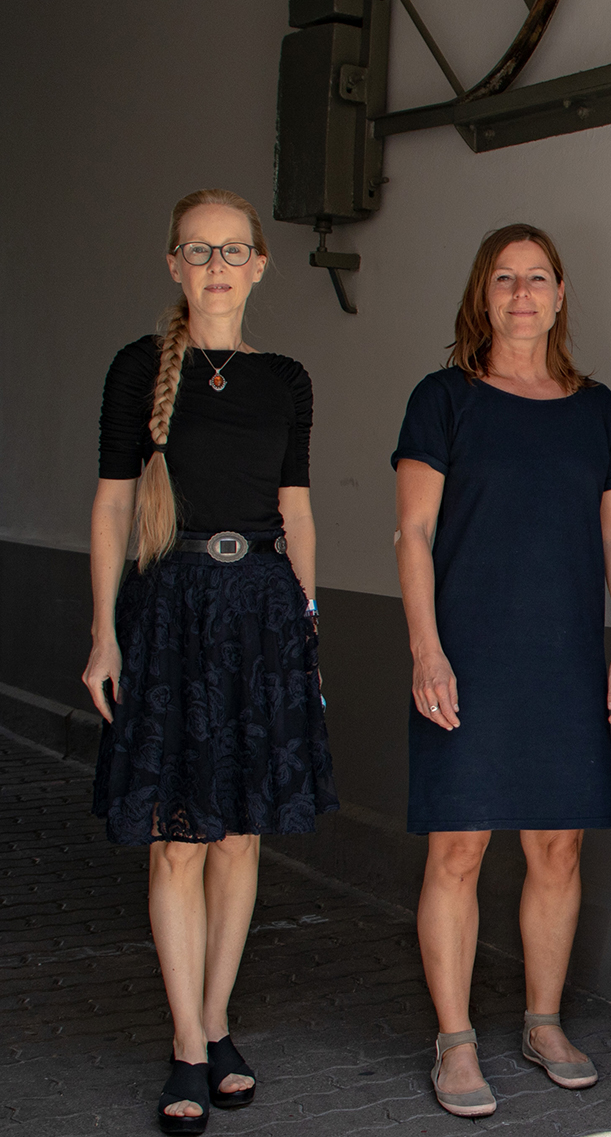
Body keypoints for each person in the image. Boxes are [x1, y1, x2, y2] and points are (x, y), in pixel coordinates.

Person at [80, 188, 335, 1135]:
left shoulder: (288, 380)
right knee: (178, 838)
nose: (218, 267)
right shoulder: (136, 369)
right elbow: (112, 507)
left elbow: (297, 509)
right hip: (170, 607)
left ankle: (219, 1018)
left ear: (261, 264)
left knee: (240, 835)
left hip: (264, 610)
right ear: (175, 264)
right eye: (200, 251)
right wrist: (104, 632)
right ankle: (187, 1043)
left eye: (234, 252)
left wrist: (306, 626)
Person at [391, 223, 611, 1119]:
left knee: (557, 845)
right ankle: (454, 1040)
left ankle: (542, 1022)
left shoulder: (596, 407)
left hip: (565, 656)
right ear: (482, 292)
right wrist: (426, 648)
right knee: (458, 847)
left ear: (561, 293)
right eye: (505, 278)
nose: (523, 293)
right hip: (466, 655)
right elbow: (413, 533)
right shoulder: (444, 399)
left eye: (539, 277)